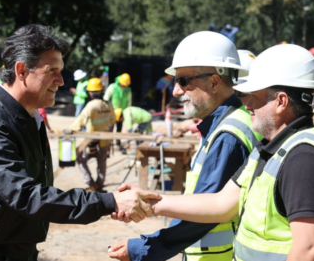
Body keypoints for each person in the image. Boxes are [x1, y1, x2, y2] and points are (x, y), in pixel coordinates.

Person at [0, 24, 160, 261]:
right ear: (22, 70)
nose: (60, 80)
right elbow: (25, 195)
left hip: (14, 246)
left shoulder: (28, 117)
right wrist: (108, 202)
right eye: (52, 70)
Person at [115, 44, 314, 261]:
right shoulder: (271, 149)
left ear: (281, 101)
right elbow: (221, 204)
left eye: (253, 96)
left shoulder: (304, 158)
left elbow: (310, 248)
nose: (247, 105)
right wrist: (149, 201)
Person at [108, 31, 264, 261]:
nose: (176, 91)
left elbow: (209, 212)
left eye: (183, 81)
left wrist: (144, 248)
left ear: (214, 82)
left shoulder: (229, 135)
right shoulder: (229, 123)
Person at [69, 77, 116, 192]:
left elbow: (80, 121)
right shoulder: (108, 105)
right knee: (102, 163)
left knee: (80, 159)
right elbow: (112, 122)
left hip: (91, 142)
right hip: (105, 141)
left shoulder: (91, 105)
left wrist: (70, 130)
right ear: (101, 91)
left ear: (90, 93)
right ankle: (99, 185)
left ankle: (90, 183)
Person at [104, 73, 132, 152]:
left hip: (122, 112)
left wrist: (127, 113)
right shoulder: (113, 87)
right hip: (112, 112)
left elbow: (129, 102)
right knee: (110, 128)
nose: (124, 86)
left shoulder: (128, 90)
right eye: (123, 84)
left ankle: (118, 142)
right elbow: (106, 98)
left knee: (119, 128)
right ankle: (108, 144)